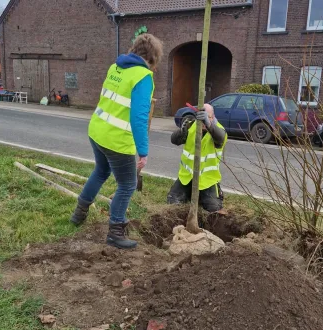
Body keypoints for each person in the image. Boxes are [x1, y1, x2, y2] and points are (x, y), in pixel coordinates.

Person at [70, 34, 163, 249]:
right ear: (153, 56)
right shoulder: (143, 76)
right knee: (127, 184)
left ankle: (79, 213)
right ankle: (116, 230)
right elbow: (139, 117)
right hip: (116, 139)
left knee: (101, 171)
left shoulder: (116, 67)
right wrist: (143, 150)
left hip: (97, 130)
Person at [167, 104, 227, 212]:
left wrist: (208, 124)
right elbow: (174, 140)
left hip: (207, 180)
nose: (203, 122)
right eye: (201, 117)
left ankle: (208, 196)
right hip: (187, 177)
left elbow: (220, 138)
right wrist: (181, 132)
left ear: (212, 117)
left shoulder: (219, 130)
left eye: (207, 117)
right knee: (172, 201)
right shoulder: (192, 127)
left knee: (214, 208)